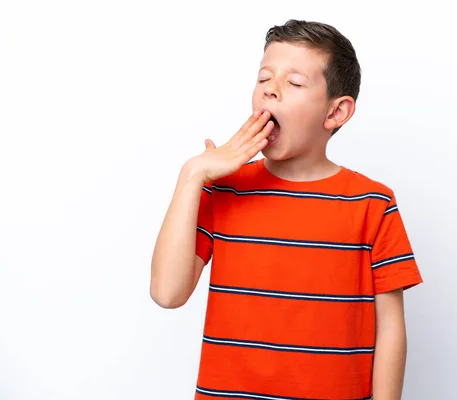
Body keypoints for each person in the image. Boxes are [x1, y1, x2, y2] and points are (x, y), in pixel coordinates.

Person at [150, 19, 423, 400]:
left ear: (336, 113)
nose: (271, 93)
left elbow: (390, 330)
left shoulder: (372, 204)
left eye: (293, 83)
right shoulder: (223, 189)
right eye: (264, 79)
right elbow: (167, 292)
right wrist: (192, 175)